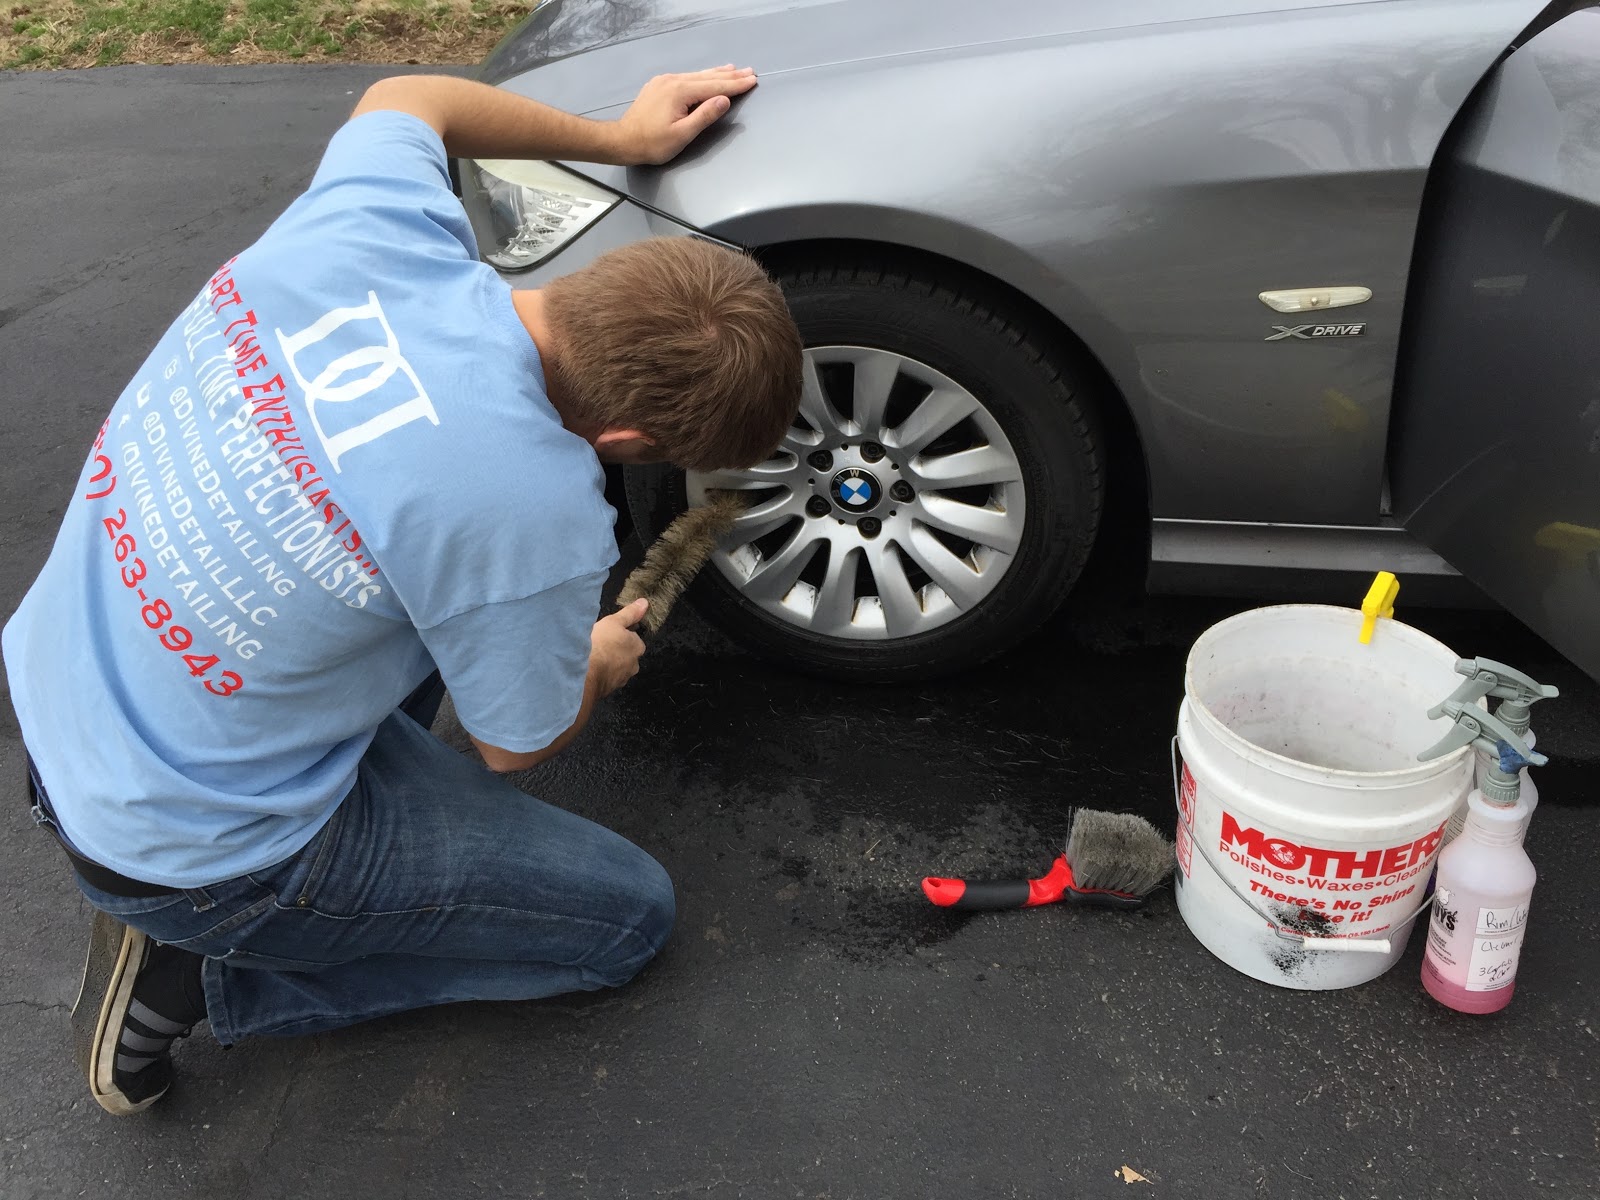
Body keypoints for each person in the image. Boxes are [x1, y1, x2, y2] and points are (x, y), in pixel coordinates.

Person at [2, 67, 803, 1116]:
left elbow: (407, 91)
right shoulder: (530, 510)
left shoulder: (376, 228)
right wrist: (594, 662)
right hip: (191, 852)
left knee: (414, 571)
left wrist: (622, 138)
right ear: (626, 445)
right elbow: (517, 741)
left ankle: (229, 878)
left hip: (67, 698)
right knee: (625, 922)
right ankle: (202, 976)